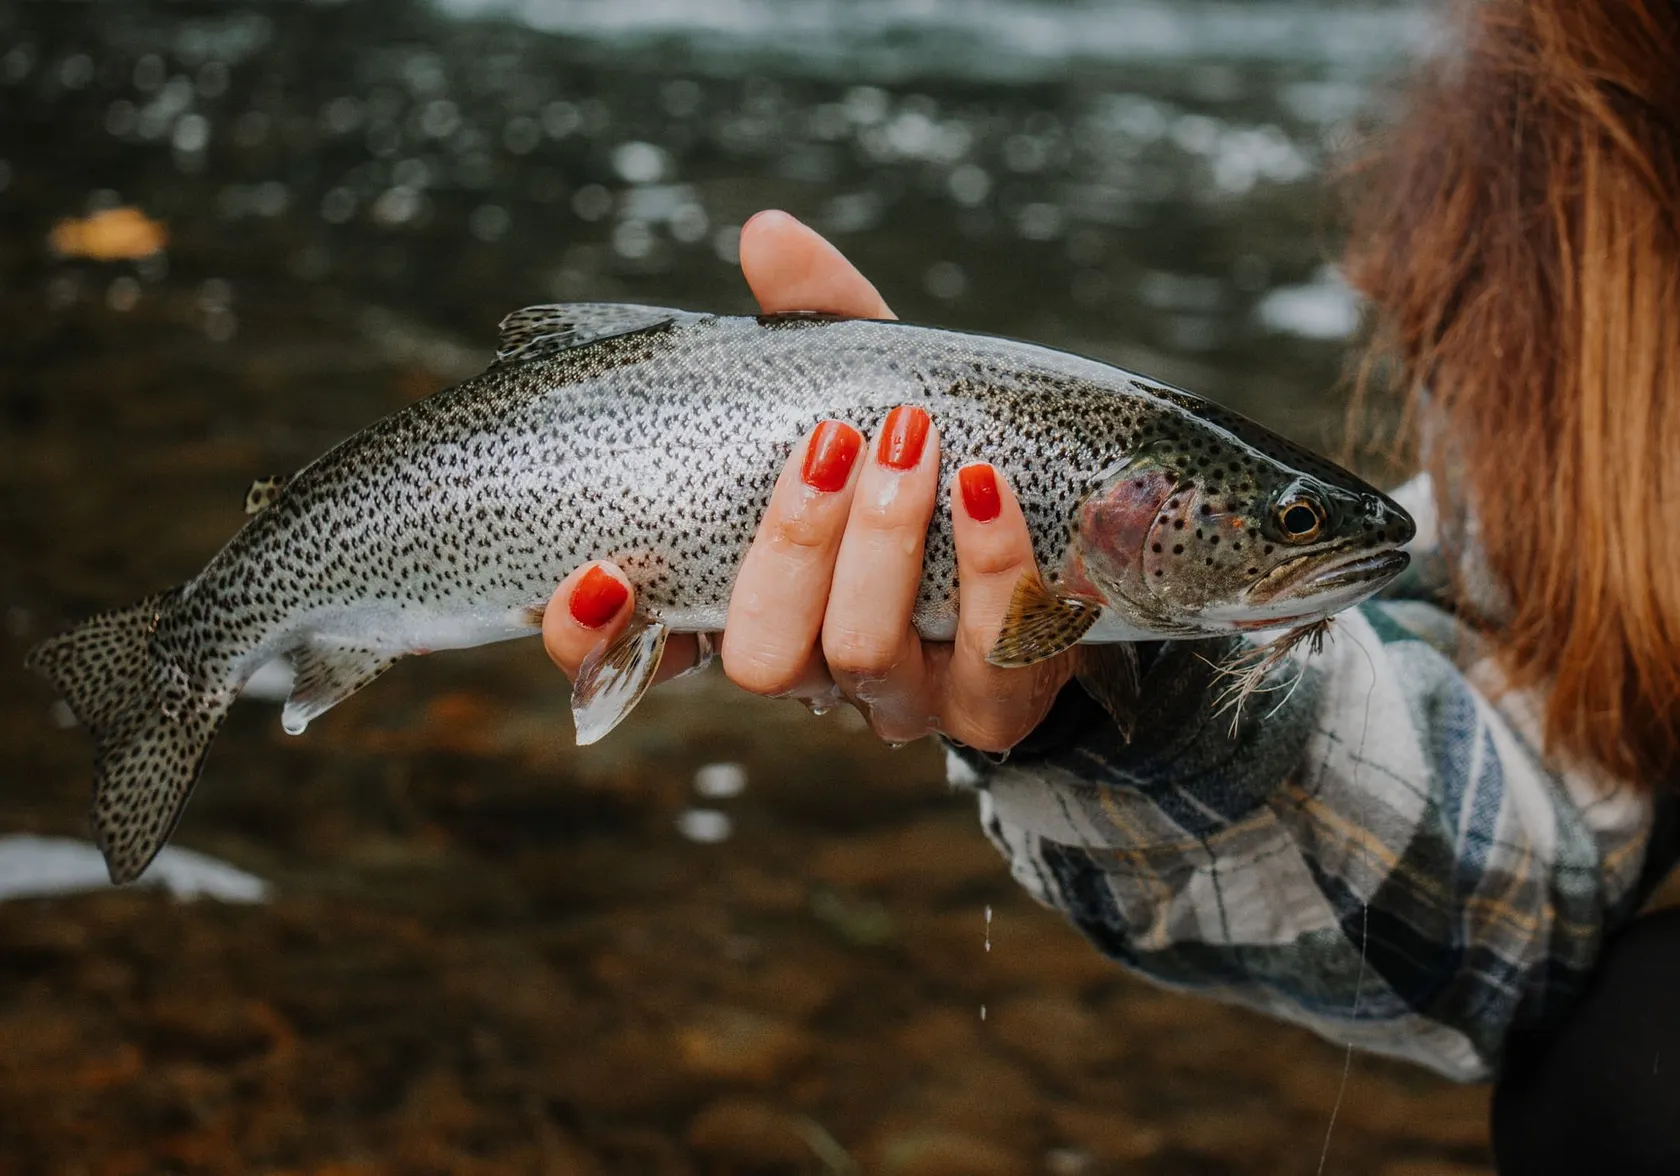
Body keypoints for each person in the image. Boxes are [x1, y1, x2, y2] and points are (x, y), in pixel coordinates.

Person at [542, 1, 1680, 1170]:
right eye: (1290, 522)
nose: (1313, 539)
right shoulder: (1581, 176)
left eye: (1295, 524)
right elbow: (1533, 850)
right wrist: (1119, 701)